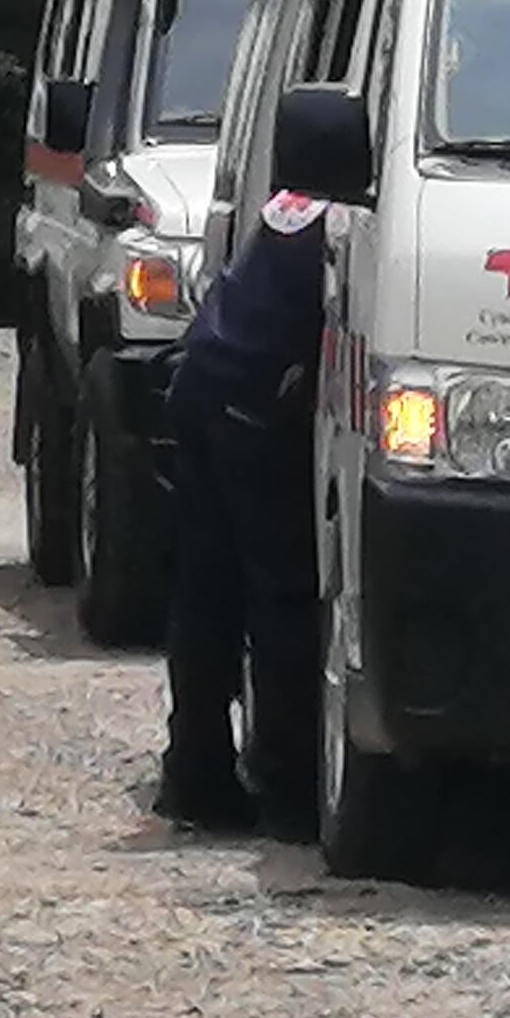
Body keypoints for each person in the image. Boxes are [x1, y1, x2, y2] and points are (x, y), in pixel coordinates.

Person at [159, 184, 328, 831]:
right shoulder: (346, 217)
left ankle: (195, 774)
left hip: (204, 379)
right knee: (281, 598)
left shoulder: (298, 206)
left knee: (206, 595)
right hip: (248, 406)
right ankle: (290, 790)